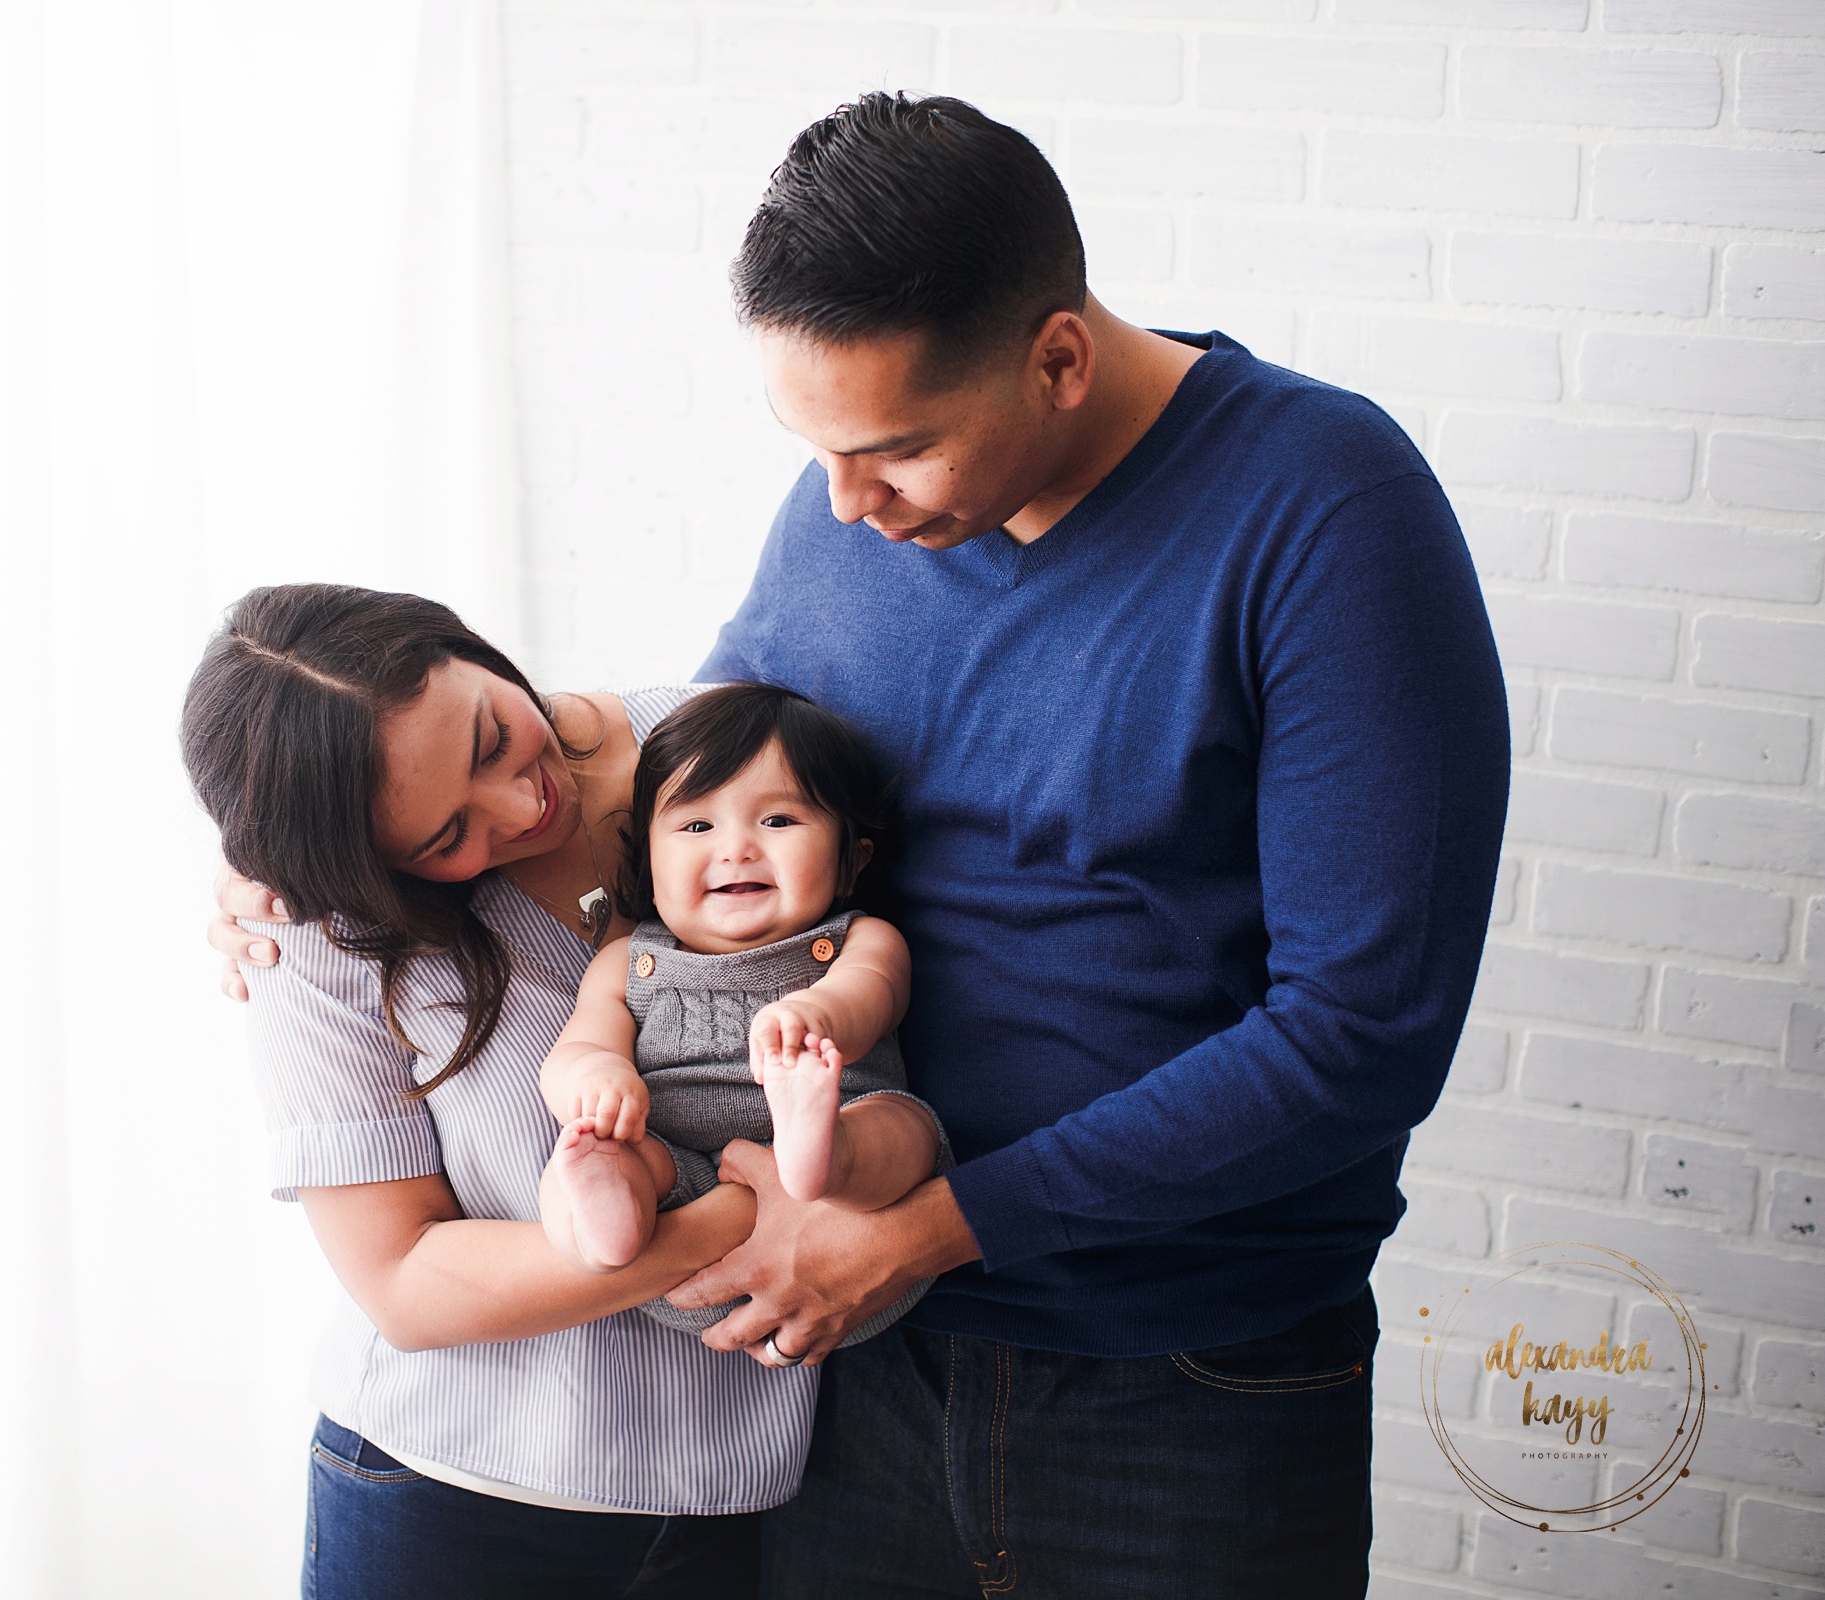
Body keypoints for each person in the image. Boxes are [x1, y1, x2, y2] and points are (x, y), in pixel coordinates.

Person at [220, 92, 1508, 1598]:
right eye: (815, 448)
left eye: (898, 450)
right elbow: (687, 793)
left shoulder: (1325, 514)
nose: (843, 505)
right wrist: (300, 844)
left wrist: (933, 1231)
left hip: (1177, 1371)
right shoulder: (850, 504)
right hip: (842, 1378)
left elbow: (1364, 1037)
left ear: (1059, 358)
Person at [180, 585, 811, 1600]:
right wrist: (743, 1221)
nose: (524, 807)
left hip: (756, 1501)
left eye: (487, 740)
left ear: (465, 643)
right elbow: (405, 1281)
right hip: (452, 1508)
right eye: (442, 840)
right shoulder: (308, 928)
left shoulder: (726, 748)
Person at [536, 684, 943, 1354]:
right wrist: (596, 1080)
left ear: (853, 857)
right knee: (604, 1151)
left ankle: (824, 1154)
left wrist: (819, 1012)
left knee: (904, 1128)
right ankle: (606, 1213)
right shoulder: (626, 961)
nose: (736, 848)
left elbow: (872, 994)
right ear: (646, 858)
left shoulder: (856, 941)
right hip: (681, 1196)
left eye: (778, 821)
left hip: (848, 1221)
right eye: (697, 826)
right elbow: (578, 1047)